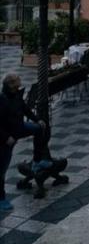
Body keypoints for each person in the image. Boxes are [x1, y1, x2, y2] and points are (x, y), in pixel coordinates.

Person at [0, 73, 47, 212]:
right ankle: (1, 199)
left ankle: (37, 160)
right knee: (1, 170)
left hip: (19, 128)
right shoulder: (2, 100)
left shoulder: (17, 95)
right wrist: (5, 138)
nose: (20, 81)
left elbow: (25, 109)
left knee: (39, 129)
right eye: (17, 80)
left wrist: (37, 119)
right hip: (7, 138)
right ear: (10, 84)